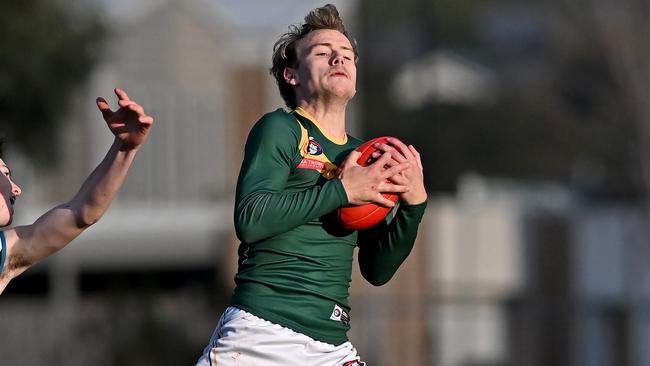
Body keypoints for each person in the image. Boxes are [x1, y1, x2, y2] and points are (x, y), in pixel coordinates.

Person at [195, 4, 427, 366]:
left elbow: (377, 270)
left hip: (330, 345)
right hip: (263, 333)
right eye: (323, 53)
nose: (339, 59)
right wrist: (341, 191)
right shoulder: (280, 128)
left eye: (347, 55)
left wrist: (413, 207)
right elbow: (250, 220)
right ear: (292, 75)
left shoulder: (363, 156)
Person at [0, 88, 154, 294]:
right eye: (5, 174)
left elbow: (82, 212)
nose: (16, 189)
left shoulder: (7, 250)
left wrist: (125, 147)